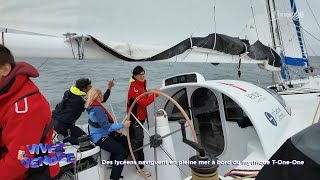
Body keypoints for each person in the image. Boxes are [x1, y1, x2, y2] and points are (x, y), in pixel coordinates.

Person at [0, 44, 60, 179]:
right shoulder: (4, 92)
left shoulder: (25, 107)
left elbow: (19, 161)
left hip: (32, 173)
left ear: (4, 69)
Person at [52, 78, 114, 145]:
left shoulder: (69, 92)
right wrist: (109, 88)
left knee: (83, 136)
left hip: (54, 120)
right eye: (89, 86)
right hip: (63, 126)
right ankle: (62, 140)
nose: (91, 88)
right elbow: (102, 99)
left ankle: (62, 136)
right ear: (84, 89)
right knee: (86, 140)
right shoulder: (82, 100)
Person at [86, 88, 130, 180]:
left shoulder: (92, 106)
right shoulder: (98, 109)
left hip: (102, 133)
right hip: (100, 137)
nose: (102, 96)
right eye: (101, 94)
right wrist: (122, 125)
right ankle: (115, 177)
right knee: (121, 152)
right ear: (98, 96)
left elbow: (102, 125)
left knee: (123, 140)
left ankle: (113, 161)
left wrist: (116, 130)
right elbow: (106, 126)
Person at [127, 65, 160, 177]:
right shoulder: (134, 89)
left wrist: (150, 92)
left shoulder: (141, 86)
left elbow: (144, 97)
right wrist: (155, 94)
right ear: (135, 76)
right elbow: (144, 102)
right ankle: (139, 167)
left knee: (139, 140)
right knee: (138, 142)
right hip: (135, 119)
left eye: (143, 74)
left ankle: (136, 161)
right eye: (139, 74)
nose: (142, 76)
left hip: (141, 118)